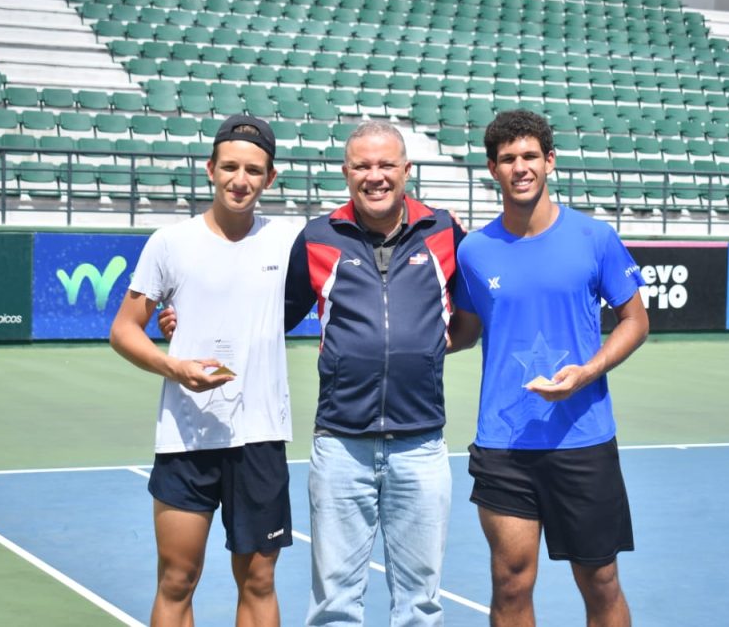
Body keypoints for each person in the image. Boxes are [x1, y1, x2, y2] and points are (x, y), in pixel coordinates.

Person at [160, 120, 466, 626]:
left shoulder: (444, 231)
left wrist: (427, 349)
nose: (375, 176)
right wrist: (186, 323)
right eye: (362, 166)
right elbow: (262, 315)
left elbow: (469, 317)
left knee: (420, 603)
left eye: (386, 165)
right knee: (335, 604)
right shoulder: (317, 238)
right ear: (346, 173)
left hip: (422, 445)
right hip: (341, 446)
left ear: (406, 171)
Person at [448, 109, 649, 627]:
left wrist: (587, 372)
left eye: (530, 156)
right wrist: (395, 341)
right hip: (504, 444)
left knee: (600, 581)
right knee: (511, 582)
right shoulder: (474, 251)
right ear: (492, 169)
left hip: (583, 440)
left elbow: (634, 321)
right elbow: (465, 332)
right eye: (508, 158)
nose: (520, 167)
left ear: (550, 161)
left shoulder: (594, 237)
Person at [110, 114, 298, 627]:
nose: (242, 180)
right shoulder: (170, 243)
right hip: (185, 438)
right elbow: (124, 330)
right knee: (177, 580)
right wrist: (176, 367)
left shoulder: (289, 241)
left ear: (270, 179)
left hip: (260, 437)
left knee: (259, 582)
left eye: (254, 171)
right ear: (211, 170)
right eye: (231, 167)